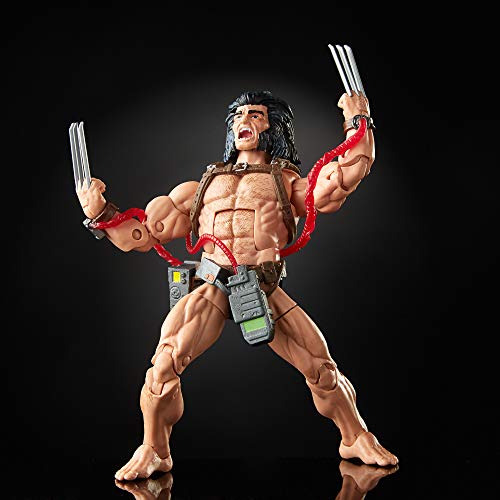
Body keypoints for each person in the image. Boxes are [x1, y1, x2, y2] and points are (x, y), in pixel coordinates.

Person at [75, 90, 398, 481]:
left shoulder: (286, 182)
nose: (244, 119)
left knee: (322, 370)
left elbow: (344, 177)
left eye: (256, 114)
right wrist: (100, 213)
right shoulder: (201, 187)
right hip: (213, 284)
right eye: (239, 114)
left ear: (273, 126)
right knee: (162, 367)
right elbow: (144, 233)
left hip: (261, 284)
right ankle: (154, 450)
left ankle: (355, 438)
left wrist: (358, 122)